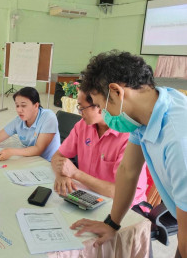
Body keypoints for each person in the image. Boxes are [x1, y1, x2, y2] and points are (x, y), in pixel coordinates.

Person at [70, 51, 187, 258]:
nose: (102, 113)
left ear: (115, 92)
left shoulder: (178, 141)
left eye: (100, 105)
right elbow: (128, 170)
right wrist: (112, 223)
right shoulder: (145, 113)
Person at [51, 90, 147, 205]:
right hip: (88, 195)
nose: (79, 112)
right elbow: (58, 156)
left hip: (123, 205)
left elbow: (121, 192)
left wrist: (75, 173)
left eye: (82, 108)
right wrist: (61, 175)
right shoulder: (82, 126)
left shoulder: (129, 137)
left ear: (100, 106)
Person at [0, 87, 60, 162]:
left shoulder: (48, 117)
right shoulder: (19, 121)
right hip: (32, 160)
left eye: (23, 105)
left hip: (50, 163)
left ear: (36, 106)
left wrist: (11, 152)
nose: (19, 110)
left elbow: (38, 149)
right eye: (17, 105)